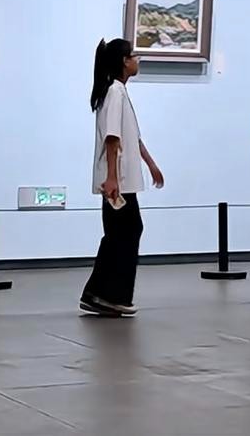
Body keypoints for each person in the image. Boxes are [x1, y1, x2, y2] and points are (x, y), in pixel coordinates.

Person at [81, 38, 164, 317]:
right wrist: (112, 178)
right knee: (124, 233)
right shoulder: (115, 92)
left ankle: (100, 293)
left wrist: (150, 164)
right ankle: (109, 294)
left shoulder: (118, 91)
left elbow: (132, 137)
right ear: (124, 62)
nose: (137, 60)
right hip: (119, 181)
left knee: (121, 233)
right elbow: (112, 137)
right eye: (134, 56)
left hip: (123, 179)